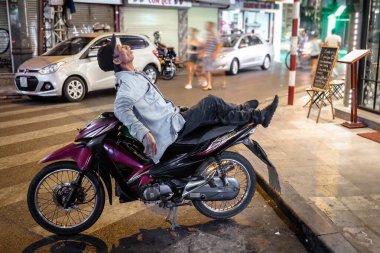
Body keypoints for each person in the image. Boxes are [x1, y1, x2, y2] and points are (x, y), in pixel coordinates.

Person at [97, 35, 278, 163]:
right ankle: (257, 116)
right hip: (171, 128)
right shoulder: (127, 83)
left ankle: (239, 110)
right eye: (121, 49)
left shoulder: (133, 74)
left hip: (172, 116)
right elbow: (121, 109)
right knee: (211, 103)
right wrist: (144, 133)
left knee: (212, 112)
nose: (127, 47)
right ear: (116, 61)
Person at [202, 22, 223, 91]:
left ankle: (209, 85)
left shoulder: (215, 34)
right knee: (205, 71)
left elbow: (220, 44)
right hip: (206, 55)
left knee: (208, 70)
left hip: (210, 55)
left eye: (208, 26)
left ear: (211, 26)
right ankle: (209, 83)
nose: (206, 27)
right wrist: (202, 52)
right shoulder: (209, 35)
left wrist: (215, 53)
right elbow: (206, 45)